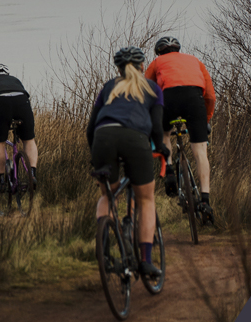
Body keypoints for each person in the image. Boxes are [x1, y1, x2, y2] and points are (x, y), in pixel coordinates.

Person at [88, 46, 170, 279]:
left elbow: (90, 128)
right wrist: (160, 147)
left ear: (118, 69)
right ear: (143, 66)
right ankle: (145, 261)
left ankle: (103, 250)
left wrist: (94, 155)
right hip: (135, 139)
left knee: (108, 195)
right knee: (145, 199)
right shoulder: (152, 88)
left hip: (103, 137)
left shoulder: (108, 87)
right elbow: (157, 127)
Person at [145, 36, 216, 220]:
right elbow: (210, 95)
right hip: (194, 98)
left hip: (168, 98)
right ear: (178, 49)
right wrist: (205, 120)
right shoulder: (195, 61)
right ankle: (205, 201)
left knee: (164, 133)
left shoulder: (157, 62)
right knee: (200, 151)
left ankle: (169, 170)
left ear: (159, 52)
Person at [0, 63, 39, 191]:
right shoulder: (16, 80)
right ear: (7, 74)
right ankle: (32, 174)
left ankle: (0, 181)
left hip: (2, 103)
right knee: (29, 140)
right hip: (23, 103)